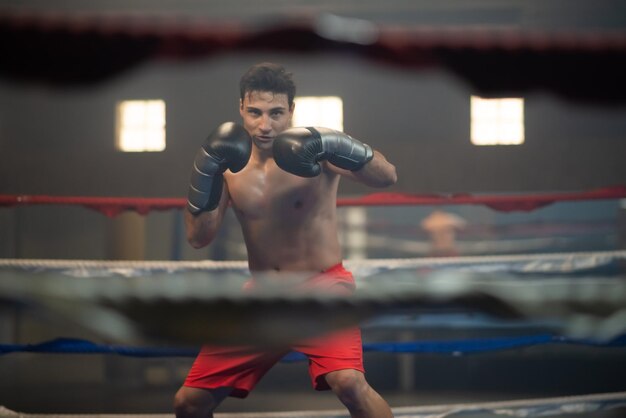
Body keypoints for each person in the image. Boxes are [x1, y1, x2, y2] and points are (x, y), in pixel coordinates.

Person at [175, 62, 397, 418]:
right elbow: (198, 238)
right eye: (255, 112)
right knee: (189, 403)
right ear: (241, 109)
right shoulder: (228, 161)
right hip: (262, 295)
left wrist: (333, 142)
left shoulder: (317, 151)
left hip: (322, 288)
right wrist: (205, 171)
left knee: (350, 383)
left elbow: (387, 176)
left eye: (276, 113)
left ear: (292, 110)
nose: (265, 125)